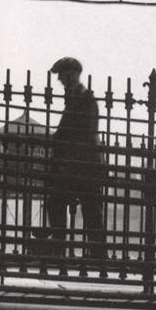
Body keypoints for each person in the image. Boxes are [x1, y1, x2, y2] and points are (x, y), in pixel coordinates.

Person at [46, 56, 107, 259]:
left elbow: (85, 136)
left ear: (71, 75)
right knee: (89, 211)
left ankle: (66, 250)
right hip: (80, 168)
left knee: (86, 210)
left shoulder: (84, 100)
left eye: (62, 77)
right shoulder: (79, 100)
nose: (60, 82)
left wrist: (65, 160)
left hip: (83, 168)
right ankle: (92, 253)